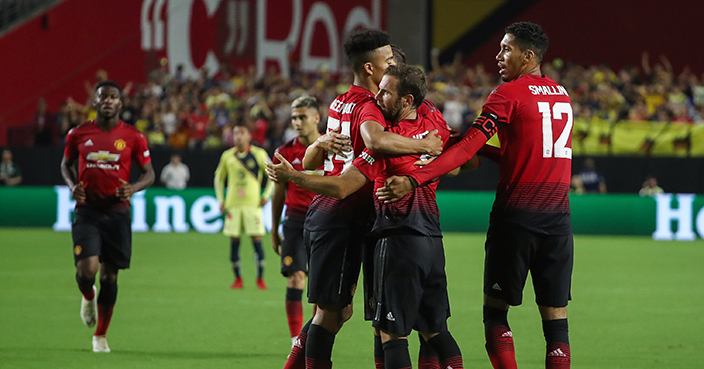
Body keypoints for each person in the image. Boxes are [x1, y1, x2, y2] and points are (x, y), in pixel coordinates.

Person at [376, 22, 574, 369]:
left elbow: (471, 147)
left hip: (517, 217)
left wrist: (415, 179)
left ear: (528, 56)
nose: (498, 56)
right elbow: (527, 153)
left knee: (495, 316)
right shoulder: (561, 94)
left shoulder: (507, 94)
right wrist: (457, 141)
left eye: (506, 49)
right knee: (556, 324)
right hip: (558, 222)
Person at [268, 64, 472, 369]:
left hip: (397, 240)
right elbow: (458, 165)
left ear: (406, 100)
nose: (376, 96)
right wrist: (424, 165)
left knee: (390, 332)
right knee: (434, 331)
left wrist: (294, 176)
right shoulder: (435, 125)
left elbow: (341, 186)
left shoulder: (385, 143)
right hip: (432, 239)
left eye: (385, 90)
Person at [60, 80, 155, 353]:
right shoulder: (78, 134)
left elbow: (149, 173)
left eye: (113, 97)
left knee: (110, 276)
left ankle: (100, 336)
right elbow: (65, 164)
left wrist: (133, 187)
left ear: (120, 104)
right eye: (103, 96)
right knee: (86, 270)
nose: (108, 101)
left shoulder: (134, 137)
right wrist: (71, 186)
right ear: (96, 101)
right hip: (88, 211)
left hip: (117, 214)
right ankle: (87, 295)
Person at [271, 96, 323, 347]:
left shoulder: (332, 147)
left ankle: (314, 333)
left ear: (316, 118)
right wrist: (273, 229)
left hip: (325, 221)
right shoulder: (284, 152)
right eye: (294, 118)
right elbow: (278, 192)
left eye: (302, 117)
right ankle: (296, 339)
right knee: (296, 278)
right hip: (294, 221)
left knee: (320, 283)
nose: (297, 122)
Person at [214, 123, 274, 290]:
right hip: (233, 205)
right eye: (235, 133)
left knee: (257, 240)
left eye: (242, 133)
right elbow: (218, 179)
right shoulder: (227, 156)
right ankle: (238, 278)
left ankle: (260, 278)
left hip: (252, 205)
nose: (238, 136)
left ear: (249, 136)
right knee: (234, 241)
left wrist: (266, 195)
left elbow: (272, 175)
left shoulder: (259, 154)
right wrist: (220, 199)